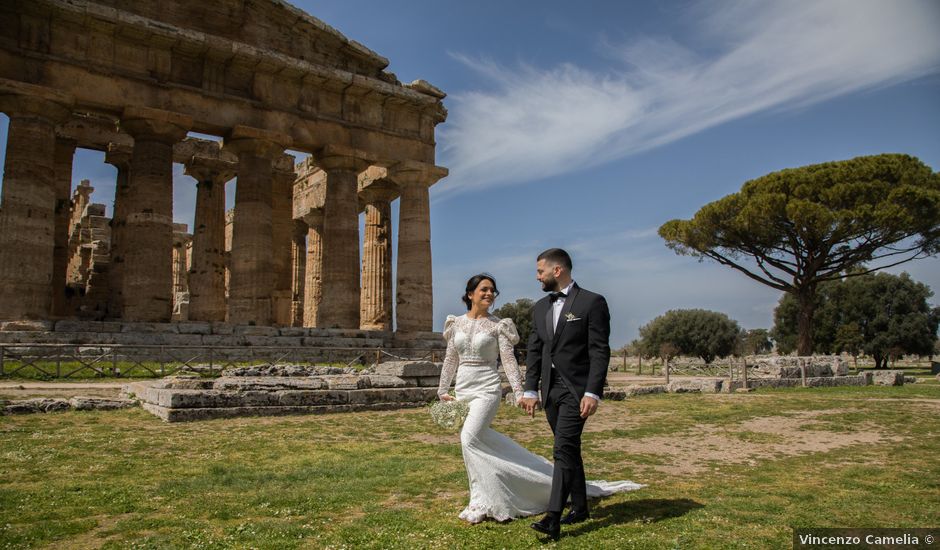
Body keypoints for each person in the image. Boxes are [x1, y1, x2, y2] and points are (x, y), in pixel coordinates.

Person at [438, 272, 641, 527]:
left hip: (487, 389)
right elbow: (450, 358)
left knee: (469, 439)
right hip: (463, 389)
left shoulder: (499, 325)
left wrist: (521, 391)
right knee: (476, 441)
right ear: (470, 294)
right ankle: (497, 491)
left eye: (493, 290)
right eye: (485, 289)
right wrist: (443, 388)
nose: (490, 294)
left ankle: (483, 501)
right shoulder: (454, 323)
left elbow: (509, 361)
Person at [519, 248, 637, 540]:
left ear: (557, 271)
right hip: (549, 391)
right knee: (568, 447)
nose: (537, 277)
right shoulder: (539, 308)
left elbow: (599, 350)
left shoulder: (592, 302)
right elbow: (535, 351)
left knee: (562, 450)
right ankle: (581, 506)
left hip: (576, 390)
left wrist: (592, 392)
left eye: (540, 272)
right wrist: (531, 388)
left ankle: (553, 517)